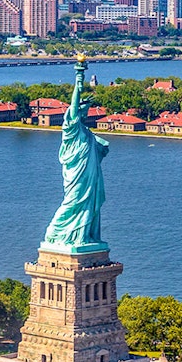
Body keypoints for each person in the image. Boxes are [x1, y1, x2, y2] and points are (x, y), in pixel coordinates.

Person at [43, 56, 109, 250]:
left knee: (89, 203)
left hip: (90, 174)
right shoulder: (72, 128)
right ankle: (55, 233)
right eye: (84, 111)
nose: (86, 114)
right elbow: (74, 104)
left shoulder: (86, 132)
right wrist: (79, 76)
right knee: (73, 201)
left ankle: (85, 236)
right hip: (77, 175)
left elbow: (99, 148)